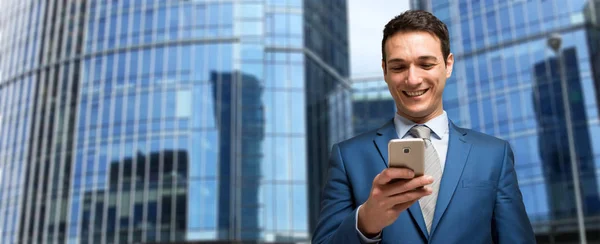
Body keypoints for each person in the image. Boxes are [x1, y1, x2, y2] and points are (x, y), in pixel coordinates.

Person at [311, 10, 535, 244]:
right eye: (398, 67)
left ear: (448, 65)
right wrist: (366, 222)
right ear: (385, 71)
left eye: (426, 64)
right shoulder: (348, 157)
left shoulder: (493, 155)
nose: (413, 79)